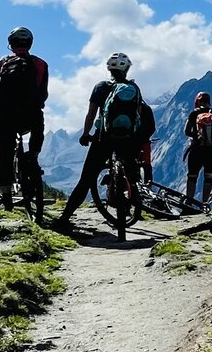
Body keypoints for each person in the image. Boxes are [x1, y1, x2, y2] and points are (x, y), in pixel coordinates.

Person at [58, 51, 152, 224]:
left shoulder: (101, 87)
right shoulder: (134, 89)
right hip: (128, 139)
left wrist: (86, 134)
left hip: (104, 138)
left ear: (109, 68)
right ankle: (136, 199)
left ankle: (64, 218)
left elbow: (91, 114)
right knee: (132, 175)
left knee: (86, 179)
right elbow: (138, 116)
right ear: (127, 69)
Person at [0, 27, 49, 218]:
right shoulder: (41, 64)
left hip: (6, 116)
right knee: (38, 128)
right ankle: (33, 157)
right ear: (30, 43)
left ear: (11, 43)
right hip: (30, 116)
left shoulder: (0, 64)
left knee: (5, 156)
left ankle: (7, 198)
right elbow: (43, 93)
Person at [183, 91, 212, 205]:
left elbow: (186, 131)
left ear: (197, 101)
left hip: (197, 149)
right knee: (209, 176)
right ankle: (205, 203)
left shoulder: (193, 114)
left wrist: (196, 136)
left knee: (192, 176)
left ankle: (189, 202)